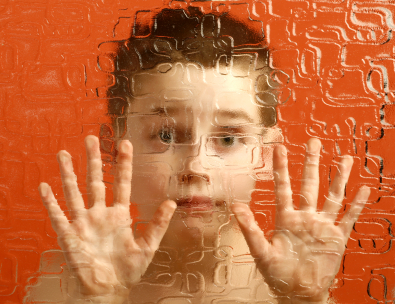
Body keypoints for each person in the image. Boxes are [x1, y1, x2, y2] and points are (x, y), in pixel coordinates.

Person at [33, 7, 370, 304]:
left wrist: (304, 301)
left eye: (226, 138)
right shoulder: (75, 279)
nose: (196, 166)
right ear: (114, 148)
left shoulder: (293, 283)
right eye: (165, 135)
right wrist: (99, 300)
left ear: (265, 154)